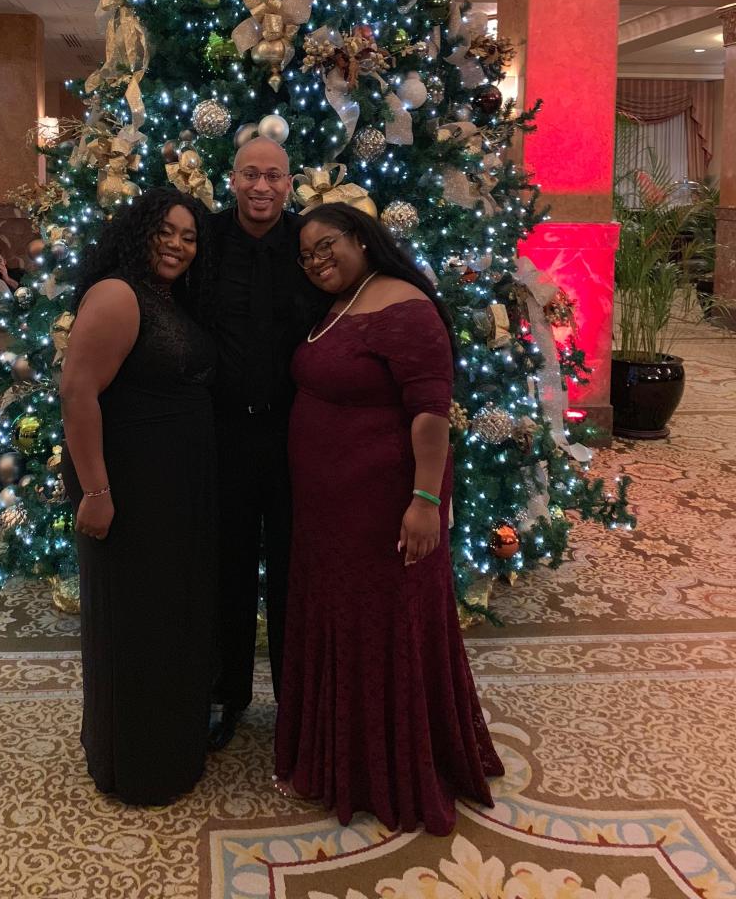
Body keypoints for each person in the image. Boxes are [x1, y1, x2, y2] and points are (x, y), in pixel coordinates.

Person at [274, 202, 504, 835]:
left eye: (328, 244)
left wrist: (425, 500)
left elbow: (431, 412)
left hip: (380, 508)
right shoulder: (348, 302)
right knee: (343, 621)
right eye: (307, 253)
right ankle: (333, 757)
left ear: (363, 238)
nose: (317, 259)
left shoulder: (404, 306)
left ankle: (384, 771)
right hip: (328, 510)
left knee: (379, 627)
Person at [60, 186, 217, 805]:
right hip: (128, 487)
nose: (178, 245)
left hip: (171, 490)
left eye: (190, 237)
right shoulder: (119, 294)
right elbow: (77, 395)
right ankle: (139, 764)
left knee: (167, 619)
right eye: (167, 231)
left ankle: (168, 747)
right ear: (141, 231)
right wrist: (96, 490)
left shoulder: (166, 299)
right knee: (139, 623)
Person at [207, 137, 327, 750]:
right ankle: (226, 696)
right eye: (250, 174)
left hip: (292, 435)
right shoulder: (203, 240)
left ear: (290, 183)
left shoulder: (312, 244)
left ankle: (295, 702)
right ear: (231, 179)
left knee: (292, 571)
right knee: (225, 569)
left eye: (273, 176)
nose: (261, 186)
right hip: (222, 435)